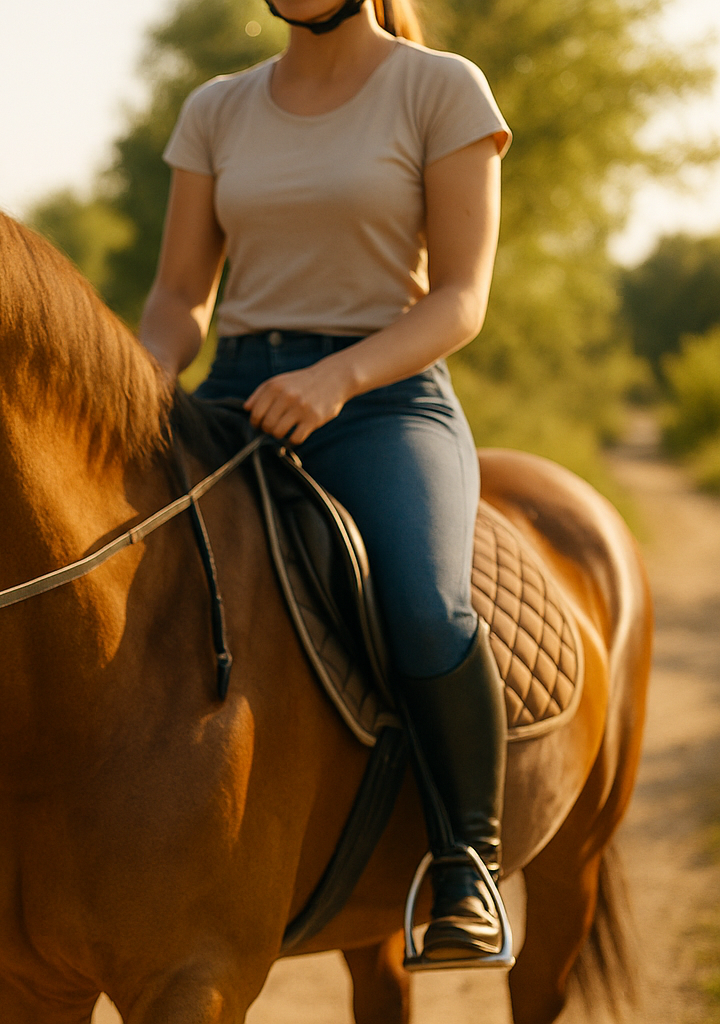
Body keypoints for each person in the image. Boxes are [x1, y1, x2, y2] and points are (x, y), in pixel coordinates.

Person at [139, 0, 513, 963]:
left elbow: (463, 299)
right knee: (89, 559)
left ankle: (464, 858)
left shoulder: (441, 88)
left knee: (425, 607)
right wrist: (136, 380)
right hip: (232, 393)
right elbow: (182, 294)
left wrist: (338, 377)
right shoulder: (217, 108)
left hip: (384, 397)